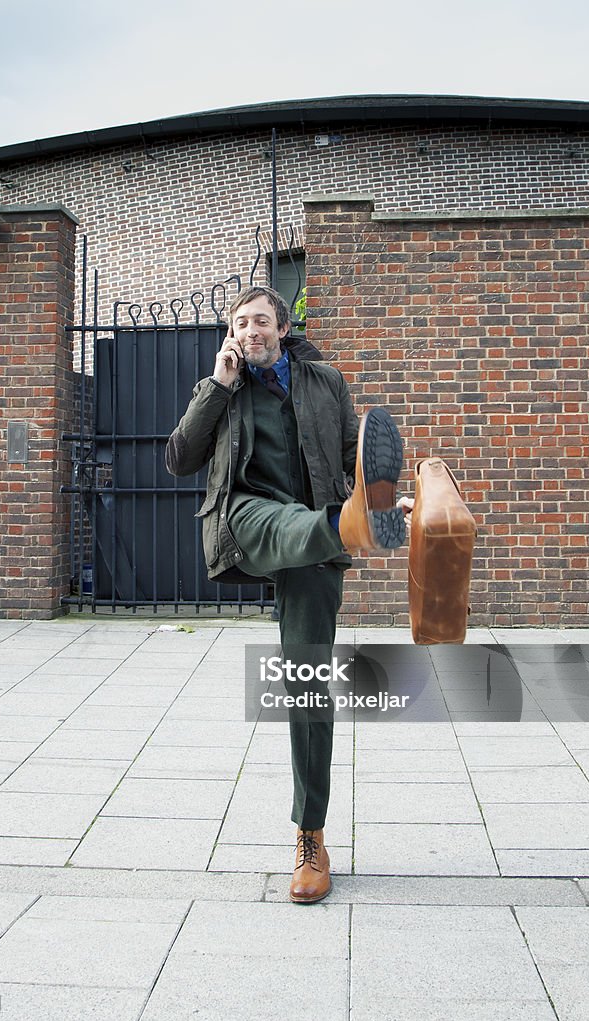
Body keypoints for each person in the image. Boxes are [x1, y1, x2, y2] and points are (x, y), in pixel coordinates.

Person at [166, 285, 410, 903]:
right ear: (232, 333)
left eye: (261, 321)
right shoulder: (223, 386)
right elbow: (179, 459)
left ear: (282, 325)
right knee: (274, 518)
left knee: (306, 679)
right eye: (240, 323)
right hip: (247, 518)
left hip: (314, 534)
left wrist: (387, 499)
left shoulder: (324, 380)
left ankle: (311, 835)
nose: (251, 331)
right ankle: (345, 526)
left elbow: (361, 457)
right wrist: (217, 388)